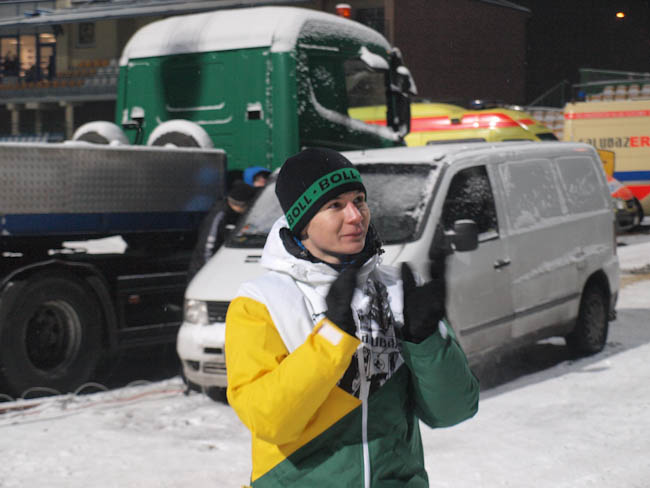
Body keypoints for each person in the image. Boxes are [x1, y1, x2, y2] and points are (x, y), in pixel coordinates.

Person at [225, 147, 479, 487]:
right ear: (302, 221)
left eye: (359, 200)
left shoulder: (398, 289)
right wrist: (329, 342)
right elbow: (270, 421)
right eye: (335, 205)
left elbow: (453, 411)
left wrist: (426, 341)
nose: (356, 216)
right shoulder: (262, 302)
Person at [187, 180, 257, 281]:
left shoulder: (232, 213)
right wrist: (209, 274)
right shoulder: (219, 216)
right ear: (243, 205)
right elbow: (207, 248)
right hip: (205, 273)